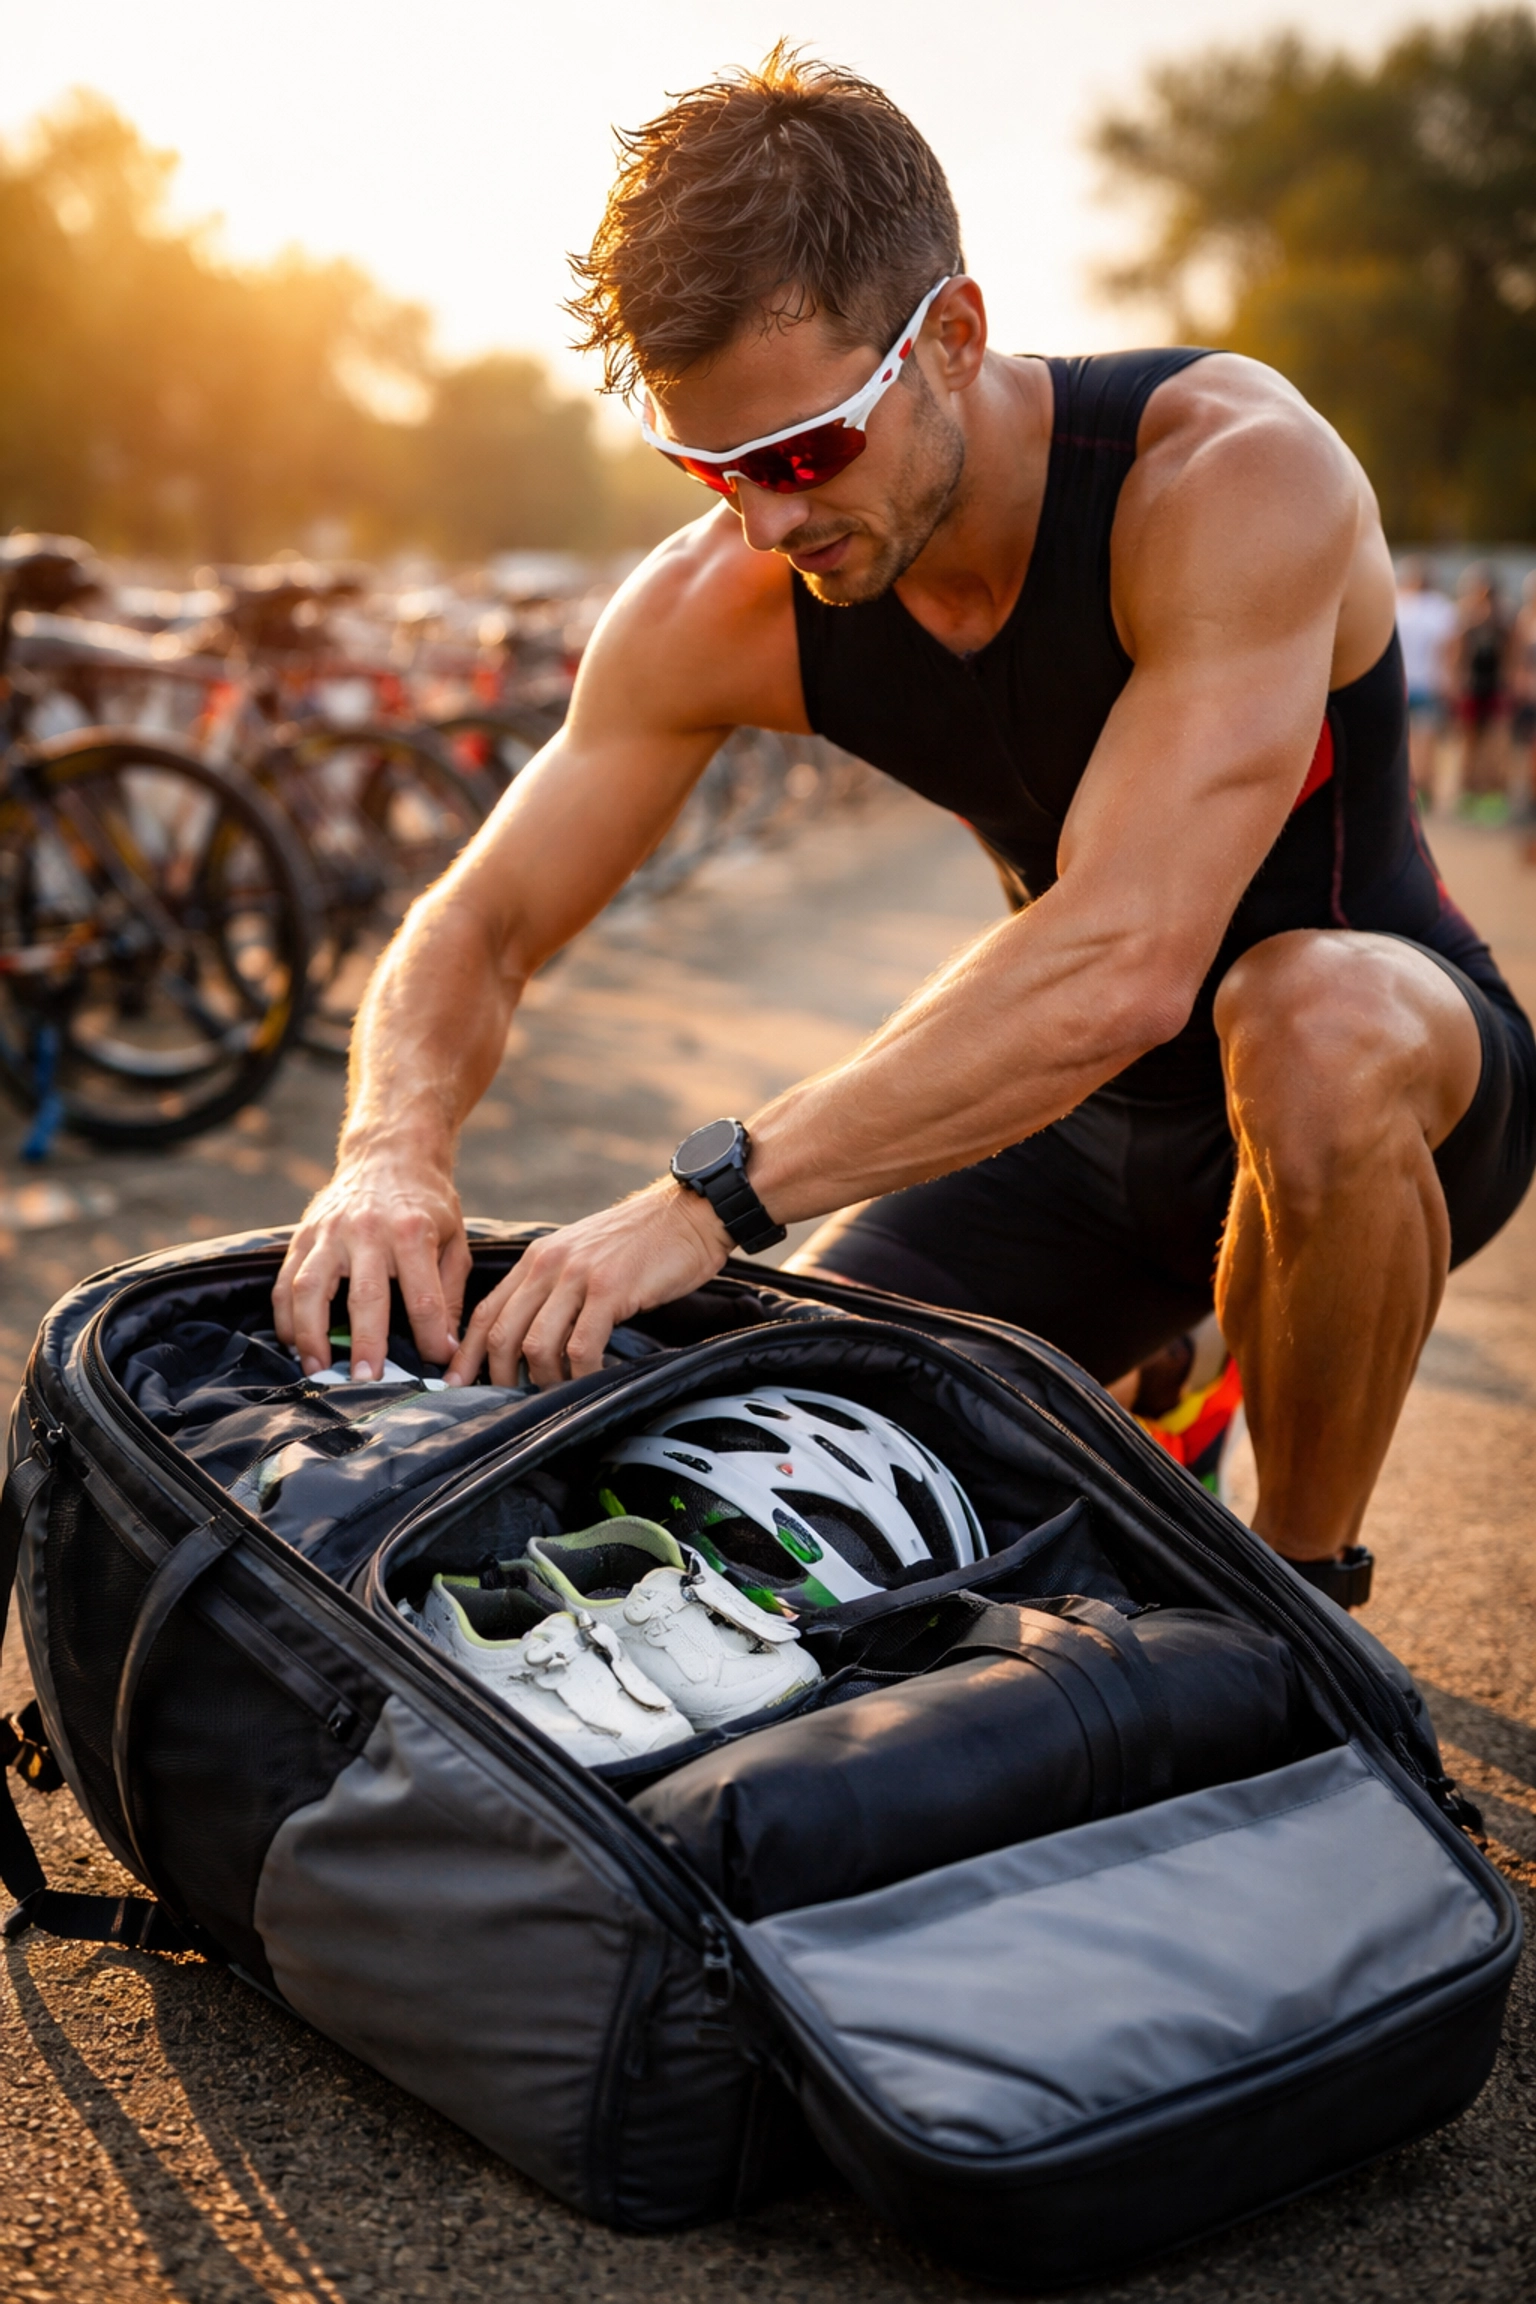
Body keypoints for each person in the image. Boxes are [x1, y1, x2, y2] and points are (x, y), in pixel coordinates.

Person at [273, 49, 1536, 1607]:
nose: (767, 525)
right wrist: (389, 1155)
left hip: (1391, 1076)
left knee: (1307, 1012)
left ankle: (1303, 1600)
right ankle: (1175, 1344)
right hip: (1074, 1133)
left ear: (953, 336)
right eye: (710, 467)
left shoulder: (1226, 475)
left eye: (802, 455)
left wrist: (701, 1207)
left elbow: (1132, 958)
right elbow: (479, 920)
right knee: (745, 1477)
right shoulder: (726, 594)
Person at [1395, 557, 1456, 806]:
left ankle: (1405, 790)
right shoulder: (1441, 608)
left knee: (1401, 740)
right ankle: (1423, 791)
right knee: (1425, 741)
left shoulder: (1396, 602)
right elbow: (1450, 649)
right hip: (1429, 681)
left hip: (1401, 681)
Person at [1452, 564, 1512, 817]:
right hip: (1473, 687)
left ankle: (1491, 795)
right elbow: (1458, 653)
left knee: (1494, 744)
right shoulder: (1467, 618)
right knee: (1469, 742)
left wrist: (1509, 682)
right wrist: (1457, 680)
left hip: (1494, 686)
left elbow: (1511, 652)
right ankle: (1468, 793)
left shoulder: (1503, 620)